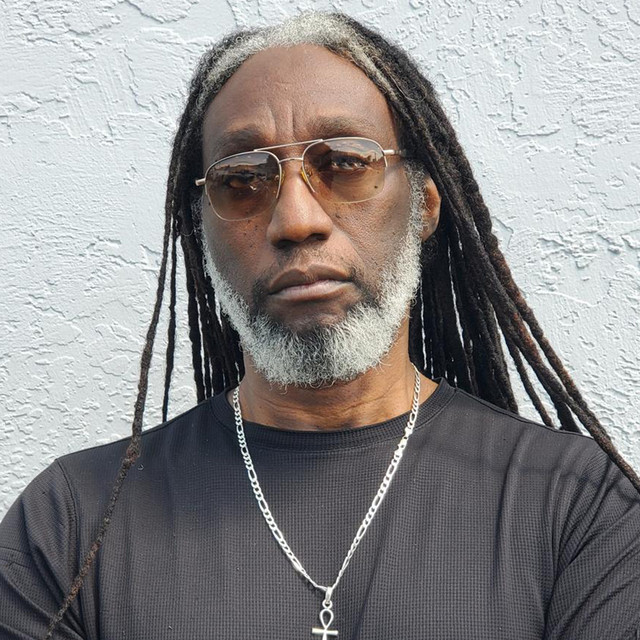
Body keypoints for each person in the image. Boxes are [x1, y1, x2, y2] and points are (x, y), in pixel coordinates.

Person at [1, 11, 639, 640]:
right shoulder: (69, 528)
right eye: (243, 179)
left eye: (345, 163)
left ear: (423, 207)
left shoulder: (577, 508)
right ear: (201, 232)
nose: (297, 220)